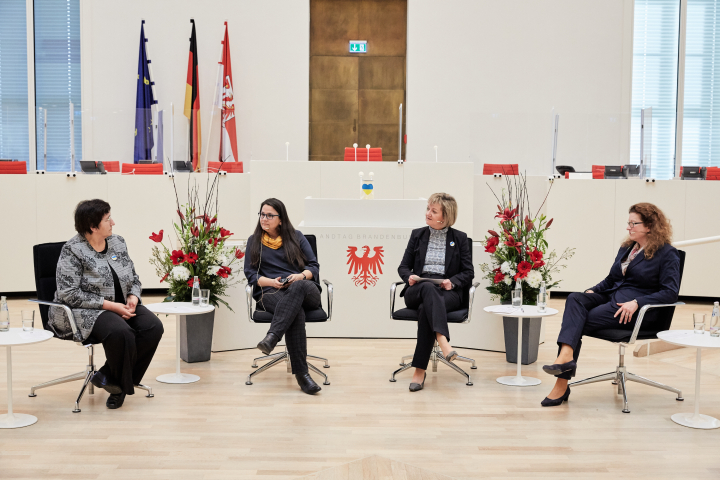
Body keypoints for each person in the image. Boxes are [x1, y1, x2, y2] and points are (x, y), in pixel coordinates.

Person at [541, 203, 680, 407]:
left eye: (634, 223)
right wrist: (593, 290)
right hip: (611, 297)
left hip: (633, 310)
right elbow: (611, 279)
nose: (629, 227)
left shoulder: (667, 253)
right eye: (628, 223)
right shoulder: (627, 248)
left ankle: (562, 381)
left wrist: (637, 302)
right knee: (574, 298)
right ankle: (566, 358)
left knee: (576, 322)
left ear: (650, 226)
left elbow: (670, 292)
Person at [49, 199, 164, 409]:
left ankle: (110, 378)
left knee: (153, 327)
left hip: (121, 304)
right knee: (121, 332)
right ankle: (119, 389)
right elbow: (68, 294)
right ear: (93, 227)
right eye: (108, 219)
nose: (113, 223)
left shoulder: (118, 242)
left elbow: (134, 277)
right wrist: (111, 306)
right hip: (84, 310)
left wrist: (133, 296)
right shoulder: (73, 250)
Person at [244, 198, 324, 395]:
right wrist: (272, 282)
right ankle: (302, 375)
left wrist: (298, 277)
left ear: (280, 219)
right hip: (270, 291)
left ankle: (273, 337)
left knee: (298, 289)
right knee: (295, 313)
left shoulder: (296, 237)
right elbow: (250, 274)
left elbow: (313, 267)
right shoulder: (254, 241)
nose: (264, 218)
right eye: (262, 214)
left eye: (270, 215)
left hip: (305, 290)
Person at [397, 193, 474, 392]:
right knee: (427, 288)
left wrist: (452, 282)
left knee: (426, 308)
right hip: (418, 288)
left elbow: (468, 272)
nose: (428, 214)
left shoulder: (460, 238)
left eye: (433, 211)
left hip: (446, 292)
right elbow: (403, 267)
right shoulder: (418, 235)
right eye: (428, 209)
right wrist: (409, 277)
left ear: (445, 217)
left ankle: (419, 370)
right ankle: (443, 340)